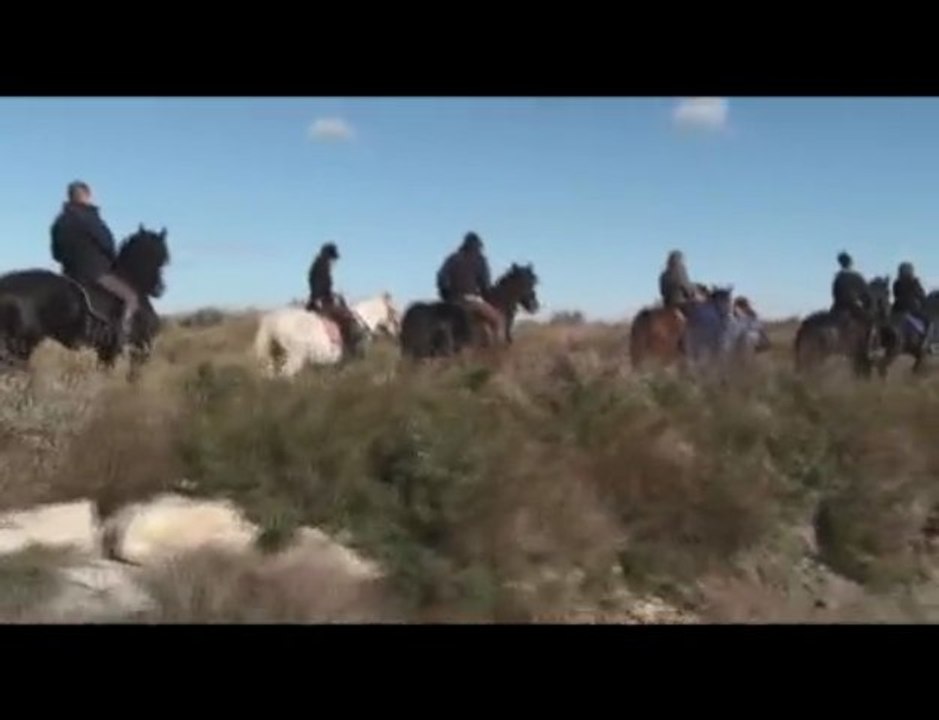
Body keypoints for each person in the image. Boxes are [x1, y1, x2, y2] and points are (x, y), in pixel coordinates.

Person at [50, 180, 139, 340]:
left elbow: (56, 254)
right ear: (87, 195)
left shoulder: (58, 222)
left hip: (69, 276)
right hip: (96, 274)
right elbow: (107, 243)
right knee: (130, 298)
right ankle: (122, 336)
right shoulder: (89, 217)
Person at [436, 231, 505, 344]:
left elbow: (441, 277)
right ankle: (498, 351)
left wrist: (446, 294)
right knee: (498, 320)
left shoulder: (452, 258)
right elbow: (485, 284)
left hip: (451, 300)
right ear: (478, 246)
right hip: (471, 300)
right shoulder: (480, 259)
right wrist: (487, 296)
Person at [306, 242, 360, 356]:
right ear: (329, 257)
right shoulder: (322, 267)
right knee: (347, 318)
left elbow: (320, 286)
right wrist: (318, 299)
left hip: (319, 300)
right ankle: (348, 350)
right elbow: (318, 285)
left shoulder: (317, 265)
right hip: (322, 303)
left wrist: (335, 294)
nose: (334, 263)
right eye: (334, 260)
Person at [892, 261, 930, 342]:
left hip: (897, 309)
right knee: (927, 321)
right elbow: (921, 296)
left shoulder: (896, 283)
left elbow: (895, 294)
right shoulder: (914, 282)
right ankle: (923, 342)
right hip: (912, 310)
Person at [830, 251, 869, 323]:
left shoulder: (838, 277)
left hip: (838, 306)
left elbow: (834, 293)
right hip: (852, 306)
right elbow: (865, 293)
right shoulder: (857, 276)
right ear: (850, 263)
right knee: (868, 321)